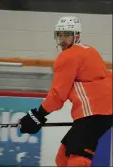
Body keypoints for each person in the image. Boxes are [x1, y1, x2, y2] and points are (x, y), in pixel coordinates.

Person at [18, 16, 113, 166]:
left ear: (77, 36)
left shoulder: (68, 56)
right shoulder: (89, 50)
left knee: (78, 160)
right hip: (102, 113)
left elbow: (58, 95)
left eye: (67, 35)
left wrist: (38, 115)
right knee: (62, 158)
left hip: (93, 114)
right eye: (60, 35)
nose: (62, 40)